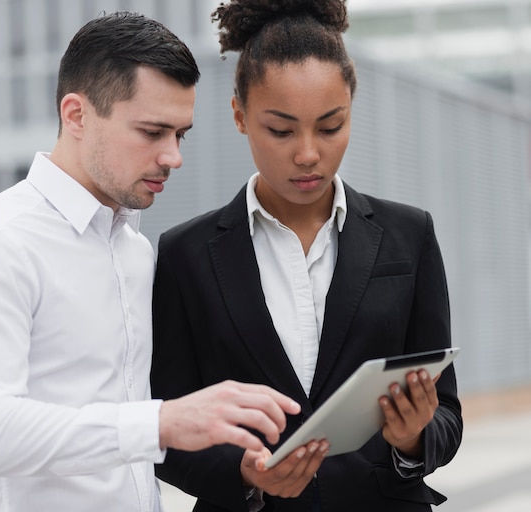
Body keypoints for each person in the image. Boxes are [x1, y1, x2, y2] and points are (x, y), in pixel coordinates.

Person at [0, 12, 303, 512]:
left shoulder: (135, 251)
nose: (173, 157)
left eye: (180, 134)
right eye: (152, 131)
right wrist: (160, 423)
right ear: (77, 115)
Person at [150, 1, 463, 511]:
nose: (307, 153)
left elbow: (446, 413)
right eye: (281, 129)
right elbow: (165, 426)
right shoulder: (185, 254)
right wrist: (246, 475)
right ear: (240, 116)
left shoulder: (410, 235)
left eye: (330, 126)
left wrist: (411, 440)